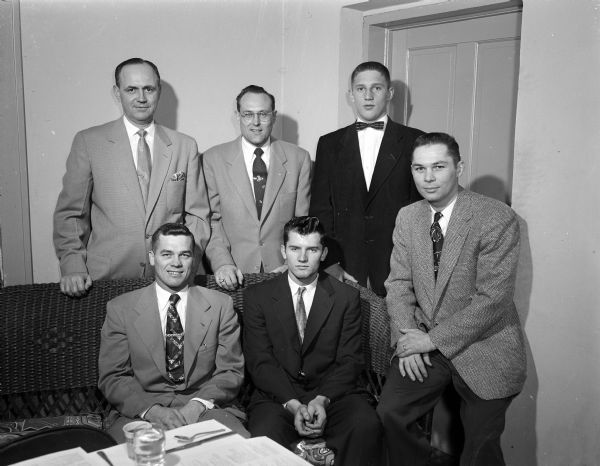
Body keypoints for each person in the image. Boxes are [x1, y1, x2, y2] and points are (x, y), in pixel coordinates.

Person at [377, 132, 527, 466]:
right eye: (419, 169)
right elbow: (398, 284)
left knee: (478, 448)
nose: (428, 178)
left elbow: (491, 301)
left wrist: (428, 340)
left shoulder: (495, 216)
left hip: (484, 346)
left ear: (459, 168)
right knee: (390, 412)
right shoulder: (408, 216)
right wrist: (406, 335)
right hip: (423, 341)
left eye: (439, 167)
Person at [53, 57, 209, 297]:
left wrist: (186, 263)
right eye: (131, 89)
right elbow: (71, 214)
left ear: (159, 91)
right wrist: (72, 264)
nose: (141, 98)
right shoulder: (89, 142)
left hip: (171, 281)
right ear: (117, 93)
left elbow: (198, 215)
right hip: (106, 280)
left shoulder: (184, 146)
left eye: (149, 89)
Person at [243, 216, 382, 466]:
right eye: (295, 249)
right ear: (283, 251)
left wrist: (322, 400)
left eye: (312, 249)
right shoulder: (257, 297)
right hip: (278, 396)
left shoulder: (346, 297)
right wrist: (294, 405)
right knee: (265, 434)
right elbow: (260, 362)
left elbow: (350, 360)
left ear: (324, 252)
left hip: (334, 393)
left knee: (365, 425)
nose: (303, 258)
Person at [98, 223, 247, 442]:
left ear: (193, 258)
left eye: (184, 255)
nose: (176, 263)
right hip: (141, 411)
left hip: (206, 408)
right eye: (166, 254)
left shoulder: (220, 305)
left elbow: (231, 370)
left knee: (240, 453)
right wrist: (152, 411)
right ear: (152, 257)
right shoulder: (121, 308)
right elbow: (113, 376)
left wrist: (196, 407)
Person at [309, 61, 423, 296]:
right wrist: (330, 263)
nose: (368, 96)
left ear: (389, 93)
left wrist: (411, 266)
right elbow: (321, 209)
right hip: (344, 264)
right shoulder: (329, 144)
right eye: (361, 89)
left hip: (399, 266)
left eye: (377, 88)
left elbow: (420, 209)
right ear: (351, 95)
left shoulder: (415, 141)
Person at [203, 85, 311, 290]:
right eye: (248, 114)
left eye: (263, 114)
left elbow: (302, 223)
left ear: (274, 116)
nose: (256, 122)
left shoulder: (299, 158)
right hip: (233, 273)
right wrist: (222, 262)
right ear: (238, 116)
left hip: (284, 274)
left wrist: (291, 263)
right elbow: (211, 221)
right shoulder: (212, 159)